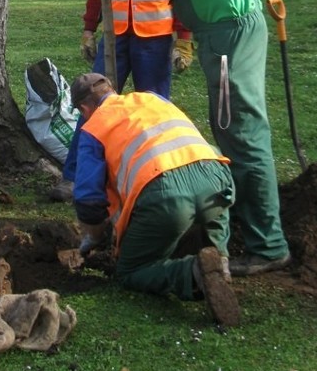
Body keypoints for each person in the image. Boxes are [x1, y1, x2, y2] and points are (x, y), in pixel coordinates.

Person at [86, 0, 291, 276]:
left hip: (231, 35)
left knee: (243, 135)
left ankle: (268, 245)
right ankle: (252, 234)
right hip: (221, 38)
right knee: (232, 131)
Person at [50, 0, 192, 200]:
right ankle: (74, 178)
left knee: (155, 110)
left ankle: (158, 177)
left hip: (154, 39)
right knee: (93, 107)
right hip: (115, 37)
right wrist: (89, 29)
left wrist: (183, 38)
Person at [69, 72, 241, 325]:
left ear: (84, 108)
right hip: (216, 178)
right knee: (214, 212)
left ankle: (193, 274)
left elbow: (89, 201)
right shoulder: (153, 99)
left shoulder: (93, 127)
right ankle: (219, 260)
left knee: (130, 271)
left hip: (166, 196)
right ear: (113, 91)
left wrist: (93, 238)